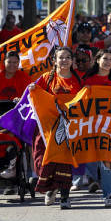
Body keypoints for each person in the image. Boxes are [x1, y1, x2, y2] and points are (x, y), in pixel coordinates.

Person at [33, 47, 84, 209]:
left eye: (68, 57)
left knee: (64, 162)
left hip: (68, 128)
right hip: (47, 128)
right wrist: (31, 90)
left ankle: (65, 197)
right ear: (54, 61)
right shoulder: (46, 78)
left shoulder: (79, 80)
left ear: (72, 60)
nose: (65, 60)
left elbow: (84, 101)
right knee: (43, 160)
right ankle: (50, 188)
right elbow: (34, 95)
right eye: (61, 57)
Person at [83, 49, 111, 207]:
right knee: (106, 159)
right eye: (105, 59)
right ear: (98, 60)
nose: (108, 62)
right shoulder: (89, 79)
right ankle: (108, 194)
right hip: (97, 125)